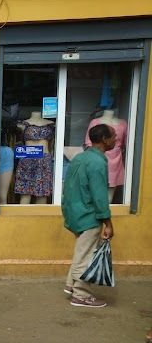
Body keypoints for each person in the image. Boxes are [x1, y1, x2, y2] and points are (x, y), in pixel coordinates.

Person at [62, 124, 115, 308]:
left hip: (75, 212)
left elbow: (68, 187)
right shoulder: (97, 162)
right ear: (105, 139)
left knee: (82, 250)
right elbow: (100, 196)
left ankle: (71, 285)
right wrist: (108, 223)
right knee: (87, 256)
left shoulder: (80, 157)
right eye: (113, 136)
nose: (116, 140)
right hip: (88, 215)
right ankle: (81, 295)